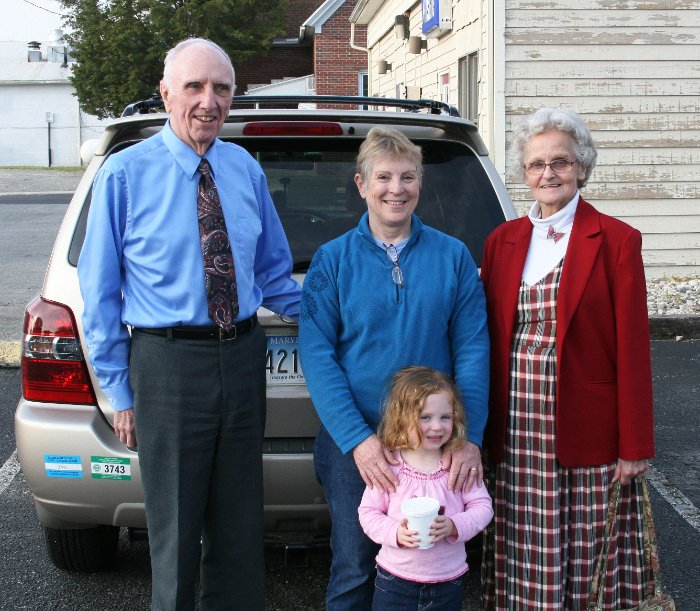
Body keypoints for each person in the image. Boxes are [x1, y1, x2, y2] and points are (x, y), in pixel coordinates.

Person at [78, 38, 300, 610]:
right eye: (194, 87)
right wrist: (118, 393)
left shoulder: (244, 169)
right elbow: (99, 294)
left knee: (238, 522)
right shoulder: (124, 176)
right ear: (166, 93)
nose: (209, 101)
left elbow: (275, 275)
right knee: (174, 526)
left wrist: (347, 313)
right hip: (168, 365)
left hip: (243, 356)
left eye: (221, 88)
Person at [299, 126, 490, 609]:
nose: (396, 189)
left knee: (432, 566)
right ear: (362, 184)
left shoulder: (453, 257)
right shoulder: (331, 261)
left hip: (433, 444)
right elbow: (318, 355)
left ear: (420, 184)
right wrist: (358, 441)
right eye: (383, 177)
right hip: (356, 445)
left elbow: (472, 348)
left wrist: (468, 438)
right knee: (355, 566)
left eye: (407, 177)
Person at [480, 107, 655, 609]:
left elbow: (633, 347)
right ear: (524, 171)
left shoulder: (617, 240)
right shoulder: (502, 241)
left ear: (581, 167)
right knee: (524, 548)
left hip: (587, 427)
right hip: (516, 429)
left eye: (560, 161)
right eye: (536, 165)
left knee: (585, 555)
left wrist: (635, 443)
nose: (548, 174)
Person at [358, 366, 493, 611]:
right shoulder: (391, 467)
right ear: (402, 418)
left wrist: (455, 525)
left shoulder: (458, 466)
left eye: (445, 417)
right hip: (395, 580)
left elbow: (483, 507)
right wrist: (394, 533)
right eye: (425, 417)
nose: (437, 426)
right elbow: (368, 513)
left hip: (447, 581)